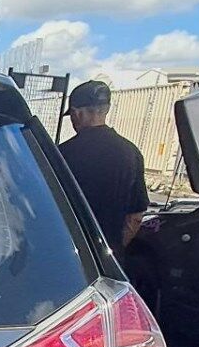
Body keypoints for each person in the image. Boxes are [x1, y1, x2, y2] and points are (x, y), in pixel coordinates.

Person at [58, 80, 149, 255]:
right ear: (106, 109)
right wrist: (111, 252)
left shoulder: (62, 154)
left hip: (67, 252)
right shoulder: (131, 152)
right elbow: (135, 217)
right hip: (106, 258)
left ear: (77, 113)